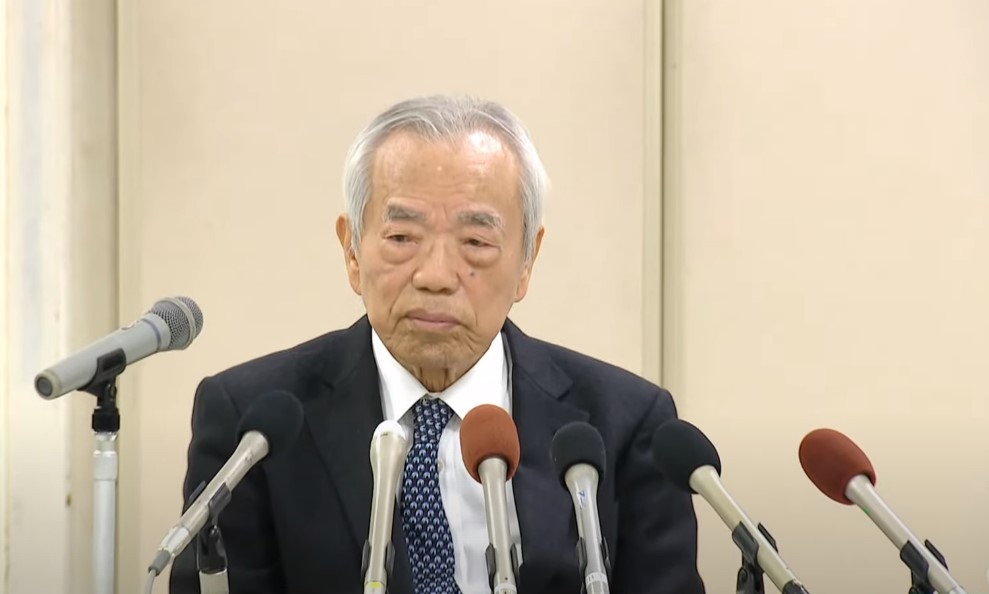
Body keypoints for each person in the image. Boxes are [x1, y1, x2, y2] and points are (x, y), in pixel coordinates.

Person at [169, 94, 705, 594]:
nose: (436, 275)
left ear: (527, 261)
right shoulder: (251, 428)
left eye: (476, 241)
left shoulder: (625, 425)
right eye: (402, 237)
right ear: (352, 251)